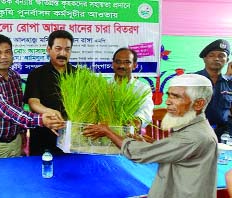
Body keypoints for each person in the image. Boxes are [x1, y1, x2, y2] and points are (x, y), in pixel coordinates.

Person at [83, 74, 217, 198]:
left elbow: (139, 153)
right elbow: (176, 153)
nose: (168, 102)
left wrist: (108, 132)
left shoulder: (194, 137)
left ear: (199, 104)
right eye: (169, 95)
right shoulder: (190, 130)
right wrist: (154, 145)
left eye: (176, 97)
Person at [0, 34, 64, 160]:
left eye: (7, 52)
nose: (4, 56)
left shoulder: (14, 77)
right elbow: (5, 109)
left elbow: (18, 107)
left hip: (15, 143)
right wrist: (41, 119)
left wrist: (21, 135)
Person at [23, 30, 76, 156]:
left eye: (67, 49)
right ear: (48, 49)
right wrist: (50, 112)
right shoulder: (37, 74)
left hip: (71, 138)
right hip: (43, 136)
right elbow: (33, 103)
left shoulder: (79, 75)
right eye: (58, 48)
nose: (63, 53)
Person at [195, 39, 232, 141]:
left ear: (227, 60)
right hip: (197, 133)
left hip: (223, 134)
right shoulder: (192, 79)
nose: (216, 59)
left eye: (221, 56)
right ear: (204, 59)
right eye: (211, 55)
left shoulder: (229, 82)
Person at [110, 48, 154, 130]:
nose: (121, 66)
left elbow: (146, 110)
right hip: (103, 134)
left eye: (127, 62)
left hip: (130, 135)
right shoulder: (104, 85)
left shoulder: (143, 88)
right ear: (113, 64)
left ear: (134, 65)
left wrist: (137, 121)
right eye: (118, 62)